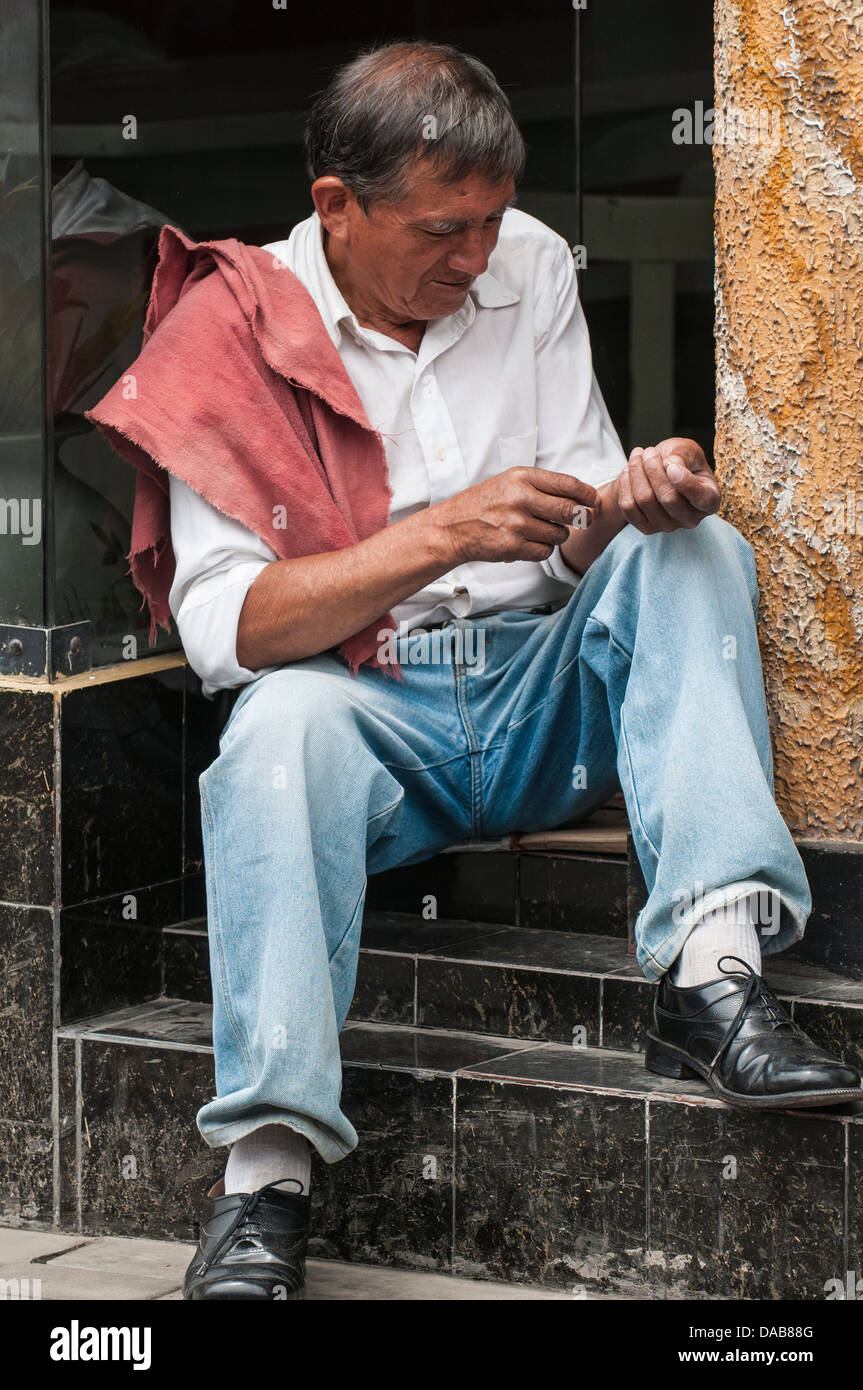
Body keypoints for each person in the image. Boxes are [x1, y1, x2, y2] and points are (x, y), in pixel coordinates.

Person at [97, 41, 861, 1300]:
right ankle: (264, 1183)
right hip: (363, 712)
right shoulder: (222, 332)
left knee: (694, 552)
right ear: (334, 205)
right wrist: (438, 533)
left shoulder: (528, 266)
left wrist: (625, 503)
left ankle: (710, 985)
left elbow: (565, 554)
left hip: (533, 696)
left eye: (491, 226)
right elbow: (227, 634)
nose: (473, 261)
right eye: (441, 231)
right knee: (276, 730)